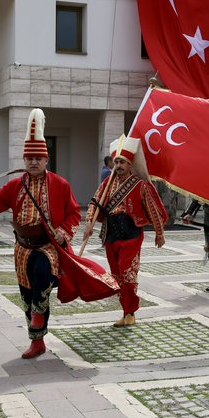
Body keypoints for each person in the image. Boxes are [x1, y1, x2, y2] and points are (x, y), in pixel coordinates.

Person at [0, 108, 118, 359]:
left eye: (38, 158)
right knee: (26, 295)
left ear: (47, 160)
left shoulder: (60, 184)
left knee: (41, 275)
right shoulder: (15, 185)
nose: (34, 162)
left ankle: (39, 318)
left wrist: (63, 231)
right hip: (22, 248)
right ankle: (37, 341)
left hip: (48, 246)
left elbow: (73, 214)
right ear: (24, 160)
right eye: (29, 158)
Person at [82, 135, 168, 328]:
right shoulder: (107, 184)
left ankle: (131, 312)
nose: (118, 165)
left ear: (130, 165)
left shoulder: (140, 184)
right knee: (116, 276)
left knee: (127, 273)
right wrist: (89, 222)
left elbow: (153, 208)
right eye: (116, 161)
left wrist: (159, 232)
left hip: (131, 234)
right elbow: (95, 202)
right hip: (111, 233)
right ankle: (125, 310)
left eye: (123, 162)